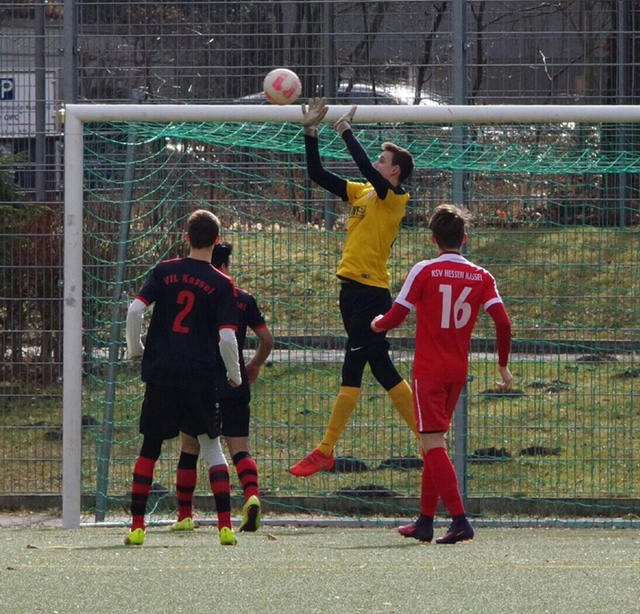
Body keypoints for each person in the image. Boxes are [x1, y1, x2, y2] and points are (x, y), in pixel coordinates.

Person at [288, 98, 419, 478]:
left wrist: (346, 130)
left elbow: (367, 169)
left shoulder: (395, 199)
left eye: (382, 161)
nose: (376, 164)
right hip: (351, 291)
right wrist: (310, 131)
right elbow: (318, 175)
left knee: (354, 366)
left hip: (370, 294)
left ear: (394, 172)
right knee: (383, 370)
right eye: (377, 160)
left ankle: (325, 450)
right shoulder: (363, 192)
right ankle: (431, 438)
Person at [370, 204, 513, 544]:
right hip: (457, 372)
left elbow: (395, 316)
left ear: (433, 239)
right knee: (432, 444)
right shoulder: (482, 276)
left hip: (429, 371)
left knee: (431, 443)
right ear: (464, 239)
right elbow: (503, 321)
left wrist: (374, 324)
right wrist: (502, 365)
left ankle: (460, 520)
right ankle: (424, 521)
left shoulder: (424, 271)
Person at [125, 209, 242, 547]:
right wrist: (233, 375)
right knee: (211, 446)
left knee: (150, 447)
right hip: (201, 376)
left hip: (161, 373)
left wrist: (137, 349)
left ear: (186, 237)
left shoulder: (164, 271)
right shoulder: (222, 283)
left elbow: (135, 310)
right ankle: (224, 527)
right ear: (217, 241)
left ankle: (137, 528)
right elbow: (226, 338)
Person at [171, 242, 274, 534]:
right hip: (236, 379)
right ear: (226, 265)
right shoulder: (242, 299)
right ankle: (252, 495)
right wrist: (253, 364)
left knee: (190, 447)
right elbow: (267, 339)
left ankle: (184, 515)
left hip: (202, 381)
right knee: (240, 447)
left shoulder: (200, 297)